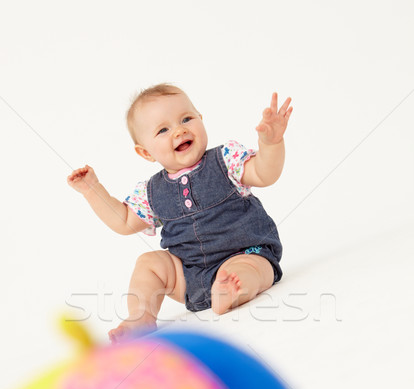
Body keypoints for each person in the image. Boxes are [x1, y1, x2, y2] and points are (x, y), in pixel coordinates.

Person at [67, 84, 293, 343]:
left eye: (186, 119)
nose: (179, 130)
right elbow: (124, 221)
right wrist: (92, 189)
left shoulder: (226, 159)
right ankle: (141, 317)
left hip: (246, 253)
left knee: (252, 270)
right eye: (163, 130)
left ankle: (231, 291)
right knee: (149, 263)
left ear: (201, 119)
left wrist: (271, 143)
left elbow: (265, 173)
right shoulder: (152, 191)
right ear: (145, 152)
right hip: (189, 275)